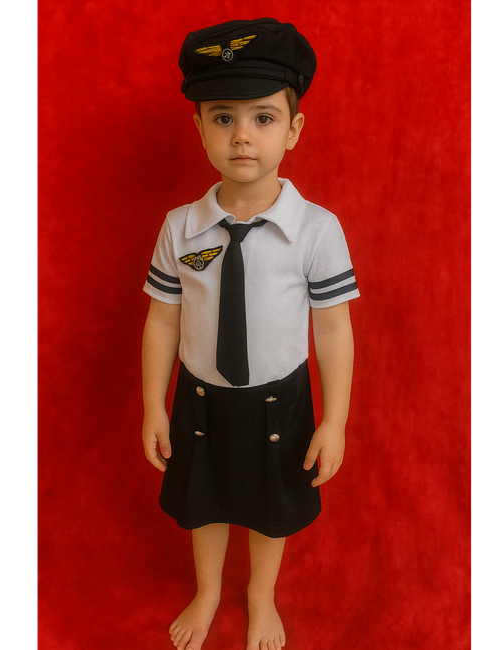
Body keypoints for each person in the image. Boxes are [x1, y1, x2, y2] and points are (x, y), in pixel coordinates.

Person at [141, 18, 359, 650]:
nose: (242, 135)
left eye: (263, 118)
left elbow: (334, 326)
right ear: (198, 126)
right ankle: (208, 590)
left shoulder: (317, 229)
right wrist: (153, 404)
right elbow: (162, 317)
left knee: (270, 507)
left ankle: (261, 596)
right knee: (204, 502)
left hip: (278, 401)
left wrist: (335, 420)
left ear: (293, 129)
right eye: (222, 117)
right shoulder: (180, 227)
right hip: (200, 398)